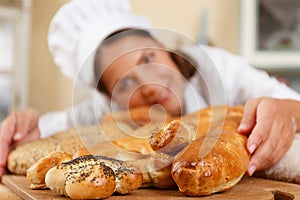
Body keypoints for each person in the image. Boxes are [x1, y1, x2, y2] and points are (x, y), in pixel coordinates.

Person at [0, 0, 299, 180]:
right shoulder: (108, 113)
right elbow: (47, 130)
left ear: (165, 48)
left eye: (148, 58)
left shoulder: (217, 68)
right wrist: (21, 130)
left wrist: (286, 112)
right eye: (125, 83)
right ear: (109, 98)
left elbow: (293, 105)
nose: (148, 85)